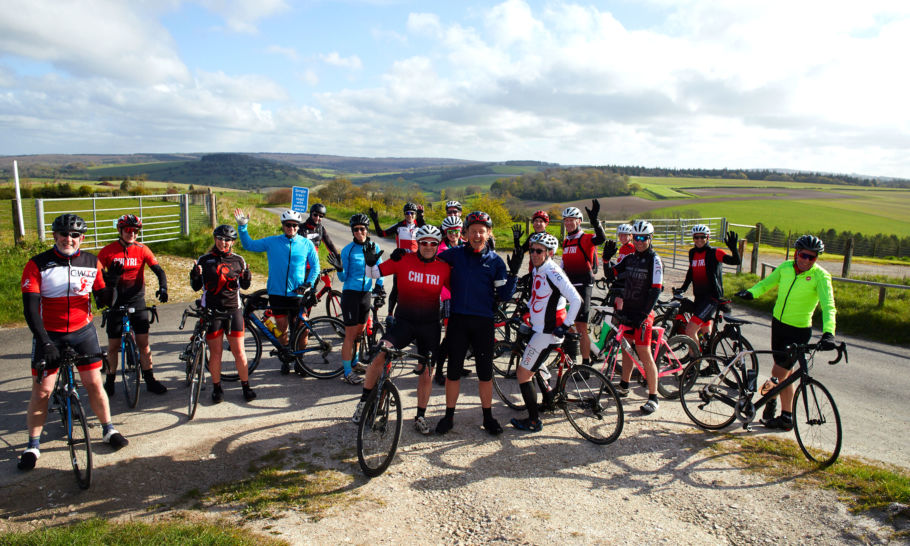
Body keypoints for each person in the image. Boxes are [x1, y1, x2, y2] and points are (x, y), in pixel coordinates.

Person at [18, 214, 128, 471]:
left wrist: (111, 285)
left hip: (83, 331)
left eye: (75, 235)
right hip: (50, 334)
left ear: (82, 238)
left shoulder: (92, 262)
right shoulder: (37, 264)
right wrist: (44, 342)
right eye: (64, 234)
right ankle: (33, 444)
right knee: (43, 390)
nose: (69, 239)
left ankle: (108, 429)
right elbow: (31, 310)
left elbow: (103, 301)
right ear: (55, 236)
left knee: (94, 384)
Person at [354, 225, 452, 434]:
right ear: (419, 243)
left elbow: (461, 291)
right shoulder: (404, 260)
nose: (427, 246)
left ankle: (420, 416)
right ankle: (363, 402)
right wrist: (370, 262)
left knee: (426, 371)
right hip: (404, 323)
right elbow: (373, 273)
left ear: (437, 245)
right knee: (380, 354)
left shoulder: (444, 268)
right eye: (423, 242)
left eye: (432, 243)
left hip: (429, 326)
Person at [736, 234, 837, 431]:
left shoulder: (821, 276)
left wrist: (828, 332)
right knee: (785, 375)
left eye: (812, 257)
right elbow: (766, 284)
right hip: (779, 326)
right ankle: (786, 416)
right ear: (797, 253)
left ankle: (768, 401)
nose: (806, 260)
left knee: (778, 372)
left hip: (799, 331)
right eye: (803, 255)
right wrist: (751, 293)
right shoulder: (785, 268)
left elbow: (829, 307)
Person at [435, 211, 522, 435]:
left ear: (489, 234)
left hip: (483, 322)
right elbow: (427, 257)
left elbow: (503, 295)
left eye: (481, 232)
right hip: (458, 321)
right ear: (465, 233)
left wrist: (513, 273)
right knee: (453, 372)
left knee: (485, 373)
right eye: (472, 231)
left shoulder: (494, 261)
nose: (477, 235)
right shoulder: (454, 255)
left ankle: (488, 416)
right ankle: (449, 415)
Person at [510, 232, 581, 432]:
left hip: (547, 333)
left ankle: (533, 421)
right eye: (532, 250)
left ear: (549, 252)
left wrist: (565, 325)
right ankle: (549, 398)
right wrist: (526, 310)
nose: (533, 254)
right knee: (535, 366)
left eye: (539, 251)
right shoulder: (538, 269)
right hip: (539, 329)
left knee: (523, 374)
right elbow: (539, 297)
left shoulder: (553, 271)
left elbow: (576, 300)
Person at [234, 208, 319, 374]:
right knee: (281, 329)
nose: (292, 228)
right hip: (277, 294)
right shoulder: (272, 242)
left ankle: (300, 361)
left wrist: (308, 283)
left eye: (295, 225)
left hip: (298, 294)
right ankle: (286, 357)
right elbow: (248, 245)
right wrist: (243, 227)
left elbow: (316, 266)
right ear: (283, 225)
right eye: (288, 225)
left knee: (303, 329)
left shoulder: (306, 243)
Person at [97, 214, 169, 396]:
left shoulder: (142, 249)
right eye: (128, 230)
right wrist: (105, 284)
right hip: (115, 301)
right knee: (113, 346)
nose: (132, 234)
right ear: (120, 231)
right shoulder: (108, 251)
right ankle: (111, 381)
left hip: (137, 299)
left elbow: (159, 271)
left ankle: (150, 380)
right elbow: (96, 276)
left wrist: (163, 288)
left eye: (135, 231)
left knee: (143, 344)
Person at [603, 220, 664, 415]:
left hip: (643, 313)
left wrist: (644, 315)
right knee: (626, 350)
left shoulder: (654, 260)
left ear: (650, 238)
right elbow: (612, 275)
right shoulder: (630, 259)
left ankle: (653, 398)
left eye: (643, 238)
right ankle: (624, 385)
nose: (639, 242)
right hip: (628, 310)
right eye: (636, 237)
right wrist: (605, 260)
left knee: (643, 352)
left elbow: (656, 291)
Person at [190, 225, 256, 403]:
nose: (223, 242)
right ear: (215, 239)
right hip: (212, 312)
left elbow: (245, 286)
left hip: (233, 310)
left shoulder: (238, 260)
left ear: (233, 242)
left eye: (227, 240)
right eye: (220, 238)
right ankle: (217, 387)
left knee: (239, 352)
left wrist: (247, 277)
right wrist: (195, 275)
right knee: (216, 353)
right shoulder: (204, 260)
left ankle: (246, 386)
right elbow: (196, 287)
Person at [328, 213, 385, 385]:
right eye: (356, 230)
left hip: (365, 295)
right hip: (351, 295)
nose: (359, 232)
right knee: (350, 335)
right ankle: (346, 372)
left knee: (360, 333)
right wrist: (339, 269)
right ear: (352, 231)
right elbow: (344, 278)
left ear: (367, 230)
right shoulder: (348, 250)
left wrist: (379, 286)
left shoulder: (374, 246)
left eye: (362, 229)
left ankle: (355, 361)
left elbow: (380, 270)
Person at [676, 225, 741, 344]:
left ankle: (695, 360)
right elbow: (691, 272)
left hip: (711, 298)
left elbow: (736, 261)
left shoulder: (714, 252)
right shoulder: (692, 253)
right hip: (699, 297)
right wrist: (682, 288)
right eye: (696, 237)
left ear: (708, 237)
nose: (699, 240)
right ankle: (710, 356)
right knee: (706, 335)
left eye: (702, 237)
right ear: (693, 238)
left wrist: (734, 249)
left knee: (690, 331)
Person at [560, 201, 606, 366]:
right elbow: (563, 265)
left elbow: (601, 238)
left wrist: (595, 222)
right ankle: (571, 357)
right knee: (567, 323)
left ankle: (585, 363)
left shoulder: (585, 238)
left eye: (572, 220)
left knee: (581, 326)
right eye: (566, 220)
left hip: (583, 285)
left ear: (579, 221)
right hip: (569, 287)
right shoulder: (566, 241)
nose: (568, 223)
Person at [368, 202, 426, 316]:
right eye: (407, 213)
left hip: (415, 262)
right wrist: (375, 220)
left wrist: (421, 217)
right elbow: (381, 233)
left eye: (412, 213)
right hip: (401, 261)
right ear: (404, 214)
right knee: (396, 289)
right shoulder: (399, 226)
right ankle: (390, 314)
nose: (410, 215)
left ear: (415, 214)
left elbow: (429, 234)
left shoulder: (419, 226)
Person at [433, 215, 464, 386]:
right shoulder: (441, 250)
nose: (454, 234)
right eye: (450, 231)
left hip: (464, 295)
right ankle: (438, 371)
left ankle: (456, 365)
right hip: (448, 296)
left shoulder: (465, 246)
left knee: (462, 333)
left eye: (457, 231)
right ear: (445, 232)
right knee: (449, 335)